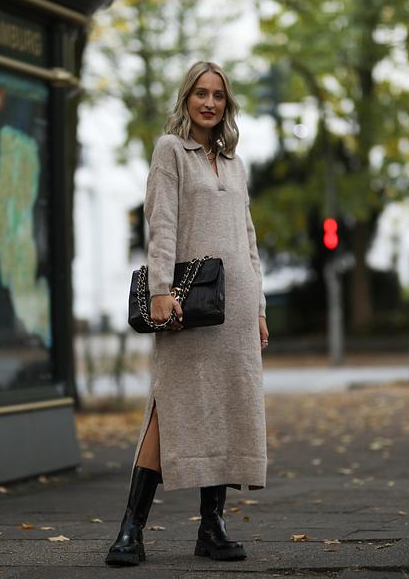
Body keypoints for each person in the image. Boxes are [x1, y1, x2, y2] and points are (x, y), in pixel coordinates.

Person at [105, 60, 270, 567]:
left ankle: (212, 528)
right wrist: (160, 290)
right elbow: (162, 224)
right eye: (201, 93)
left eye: (218, 95)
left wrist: (259, 307)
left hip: (236, 308)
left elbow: (248, 238)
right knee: (169, 407)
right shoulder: (170, 151)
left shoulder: (234, 163)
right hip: (188, 303)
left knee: (225, 409)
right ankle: (131, 530)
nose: (209, 103)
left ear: (227, 104)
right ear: (186, 99)